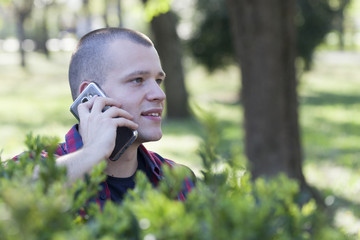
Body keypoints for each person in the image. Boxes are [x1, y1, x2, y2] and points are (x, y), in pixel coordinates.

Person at [17, 27, 195, 208]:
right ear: (92, 97)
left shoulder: (179, 180)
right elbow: (14, 201)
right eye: (138, 80)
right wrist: (92, 152)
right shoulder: (28, 166)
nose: (159, 94)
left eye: (158, 81)